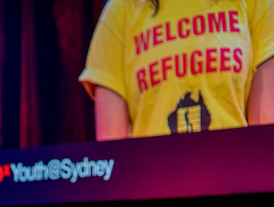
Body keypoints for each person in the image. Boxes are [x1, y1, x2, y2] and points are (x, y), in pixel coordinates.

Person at [79, 0, 274, 140]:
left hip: (236, 182)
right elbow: (113, 159)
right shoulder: (120, 11)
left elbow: (265, 142)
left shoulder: (258, 4)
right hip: (151, 188)